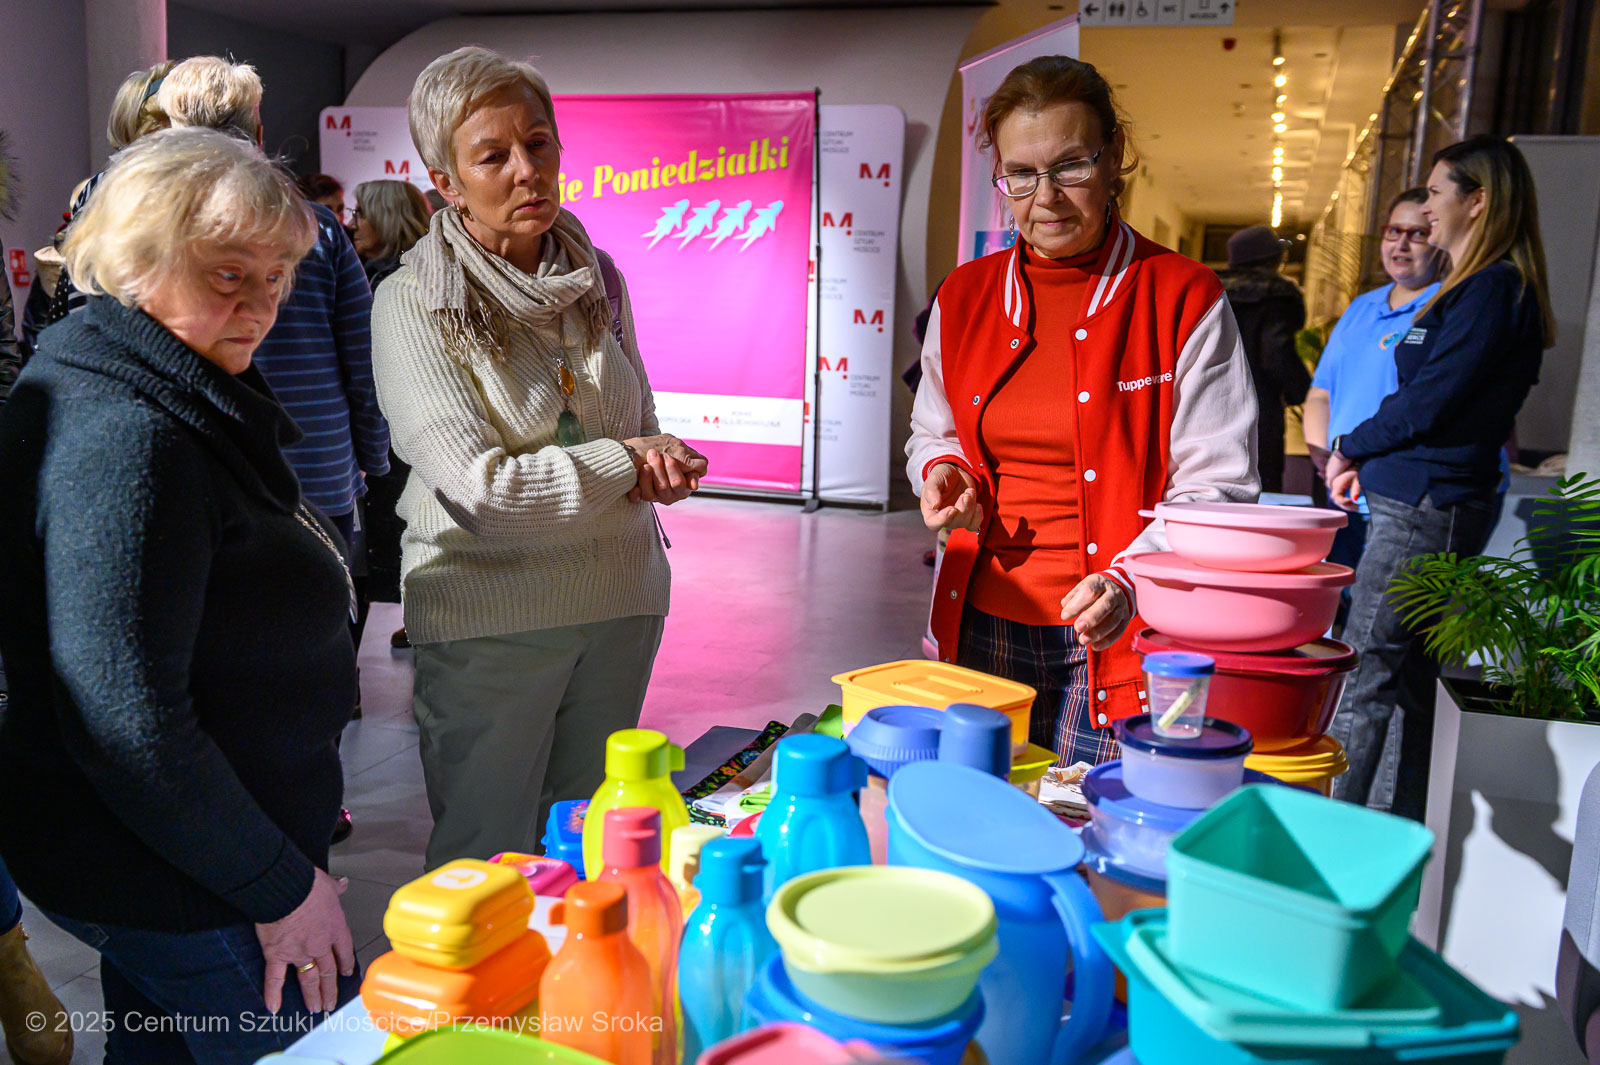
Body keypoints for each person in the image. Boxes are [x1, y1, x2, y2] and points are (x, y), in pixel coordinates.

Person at [0, 128, 360, 1064]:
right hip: (186, 880)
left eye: (276, 275)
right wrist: (280, 886)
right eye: (228, 274)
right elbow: (129, 727)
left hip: (169, 861)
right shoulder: (128, 436)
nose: (262, 303)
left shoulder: (151, 371)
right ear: (134, 263)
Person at [370, 46, 708, 868]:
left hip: (620, 601)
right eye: (493, 156)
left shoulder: (599, 277)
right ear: (445, 183)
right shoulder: (414, 301)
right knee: (488, 865)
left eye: (539, 143)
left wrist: (659, 464)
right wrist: (626, 462)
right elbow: (482, 491)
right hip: (489, 622)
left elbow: (639, 420)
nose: (528, 171)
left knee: (596, 853)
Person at [907, 55, 1258, 767]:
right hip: (980, 621)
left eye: (1070, 166)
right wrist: (941, 469)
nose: (1047, 197)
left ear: (1113, 155)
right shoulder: (964, 295)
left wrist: (1132, 579)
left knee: (1090, 816)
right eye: (1021, 174)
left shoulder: (1181, 296)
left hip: (1117, 629)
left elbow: (1218, 484)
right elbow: (932, 430)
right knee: (979, 809)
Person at [1326, 135, 1554, 820]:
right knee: (1401, 675)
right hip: (1417, 496)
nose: (1426, 208)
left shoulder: (1493, 290)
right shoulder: (1473, 288)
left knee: (1366, 668)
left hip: (1426, 503)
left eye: (1434, 192)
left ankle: (1328, 845)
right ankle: (1386, 834)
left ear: (1477, 201)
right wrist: (1365, 458)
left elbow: (1430, 402)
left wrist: (1350, 446)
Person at [1304, 188, 1443, 580]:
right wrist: (1325, 459)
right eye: (1393, 231)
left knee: (1386, 605)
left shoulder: (1445, 305)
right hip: (1340, 485)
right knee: (1338, 596)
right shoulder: (1362, 306)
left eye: (1417, 233)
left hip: (1399, 492)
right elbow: (1321, 393)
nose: (1401, 244)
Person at [351, 179, 433, 624]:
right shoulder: (376, 273)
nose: (353, 224)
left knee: (398, 532)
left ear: (385, 217)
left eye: (361, 213)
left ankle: (413, 620)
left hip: (400, 434)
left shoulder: (400, 281)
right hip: (392, 433)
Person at [1218, 224, 1311, 494]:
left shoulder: (1212, 290)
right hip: (1260, 402)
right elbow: (1276, 353)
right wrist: (1302, 390)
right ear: (1273, 259)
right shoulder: (1277, 294)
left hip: (1212, 397)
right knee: (1261, 481)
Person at [351, 178, 432, 292]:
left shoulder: (414, 280)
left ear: (391, 219)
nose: (351, 225)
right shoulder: (364, 270)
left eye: (362, 214)